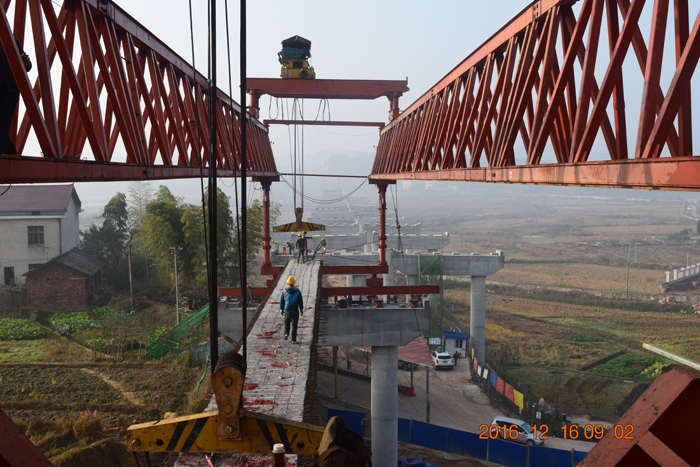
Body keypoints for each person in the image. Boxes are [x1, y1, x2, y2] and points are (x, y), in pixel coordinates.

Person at [0, 37, 31, 154]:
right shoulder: (10, 41)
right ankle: (10, 153)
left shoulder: (10, 41)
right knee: (3, 124)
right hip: (9, 89)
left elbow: (28, 66)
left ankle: (7, 153)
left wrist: (22, 59)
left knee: (3, 122)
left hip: (9, 91)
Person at [279, 276, 303, 343]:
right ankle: (293, 340)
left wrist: (281, 309)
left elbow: (282, 301)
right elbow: (300, 301)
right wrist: (301, 309)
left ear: (287, 283)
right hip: (295, 311)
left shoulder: (284, 291)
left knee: (287, 322)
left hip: (287, 311)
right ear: (294, 283)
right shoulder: (298, 291)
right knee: (294, 325)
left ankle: (286, 333)